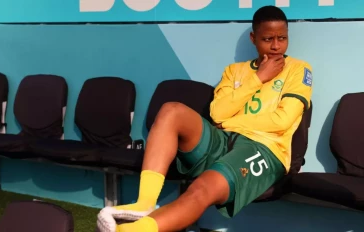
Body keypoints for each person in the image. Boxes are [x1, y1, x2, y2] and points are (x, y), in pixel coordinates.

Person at [98, 5, 313, 232]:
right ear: (253, 38)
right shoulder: (234, 71)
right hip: (222, 139)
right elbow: (217, 114)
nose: (276, 45)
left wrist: (229, 122)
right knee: (171, 110)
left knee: (201, 188)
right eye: (268, 39)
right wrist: (259, 78)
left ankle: (127, 231)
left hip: (265, 148)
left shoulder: (298, 69)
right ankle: (144, 204)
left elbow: (282, 121)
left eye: (282, 38)